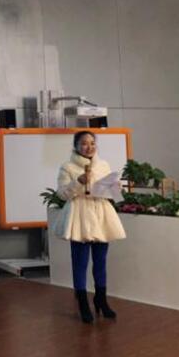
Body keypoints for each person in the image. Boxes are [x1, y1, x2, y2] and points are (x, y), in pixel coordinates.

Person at [53, 130, 126, 324]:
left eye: (92, 143)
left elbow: (110, 192)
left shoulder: (103, 165)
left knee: (100, 261)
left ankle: (101, 299)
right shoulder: (67, 167)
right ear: (76, 146)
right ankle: (83, 302)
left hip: (101, 215)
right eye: (84, 143)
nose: (89, 147)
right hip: (80, 215)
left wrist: (116, 188)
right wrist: (78, 182)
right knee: (80, 262)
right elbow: (62, 194)